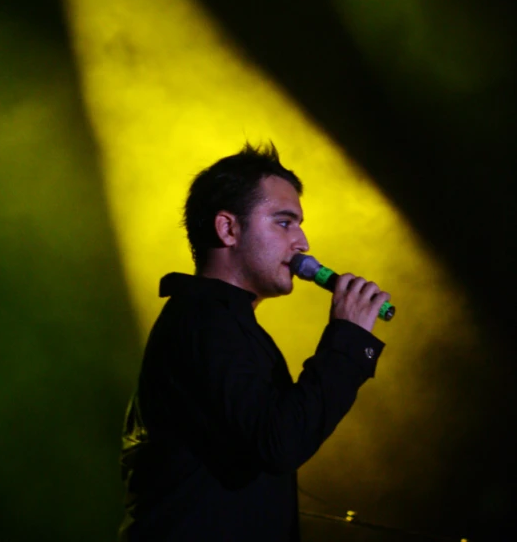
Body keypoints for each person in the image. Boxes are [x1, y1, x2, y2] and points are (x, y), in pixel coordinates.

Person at [119, 143, 390, 542]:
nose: (303, 243)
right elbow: (279, 441)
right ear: (228, 228)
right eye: (284, 222)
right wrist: (347, 339)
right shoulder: (203, 321)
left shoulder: (222, 321)